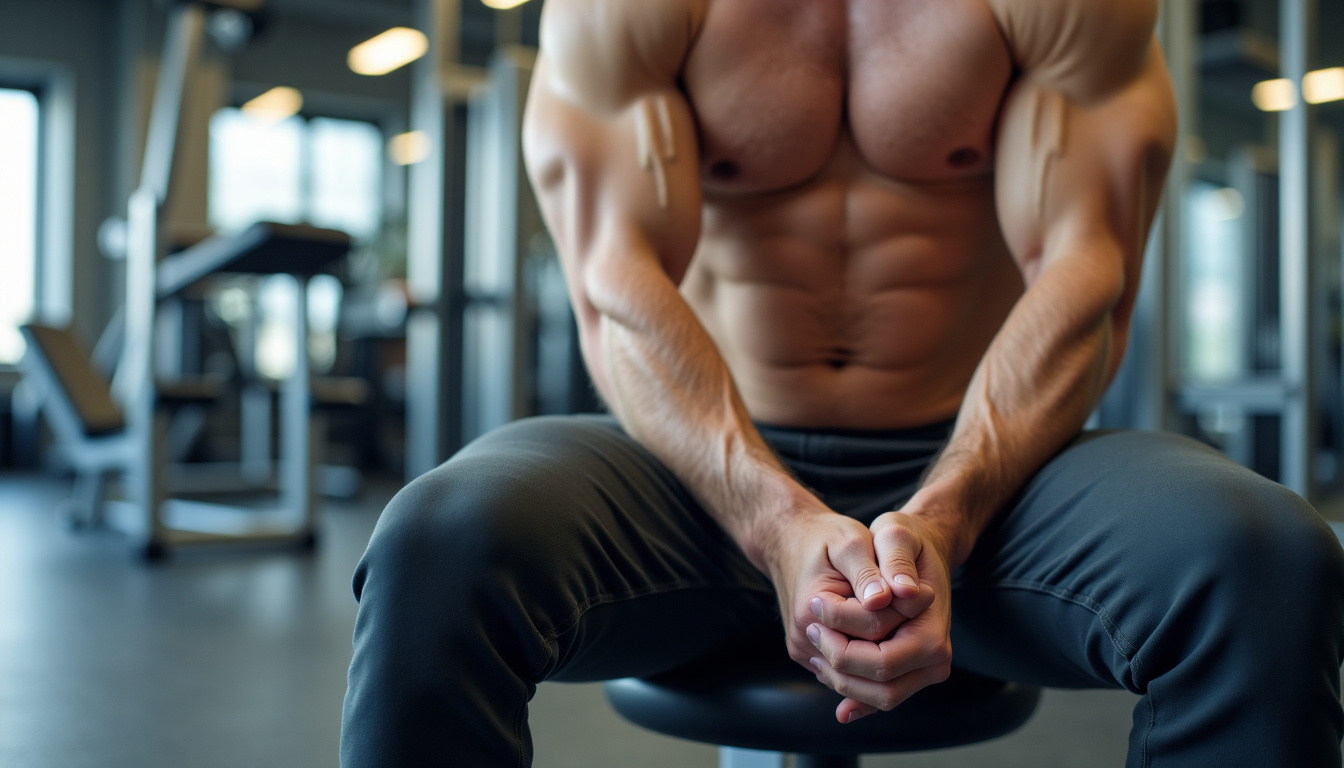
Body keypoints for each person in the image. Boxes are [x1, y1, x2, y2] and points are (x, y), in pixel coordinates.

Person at [340, 0, 1344, 765]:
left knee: (1258, 557)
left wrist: (946, 517)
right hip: (694, 470)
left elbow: (1088, 278)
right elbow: (615, 283)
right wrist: (773, 520)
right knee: (442, 544)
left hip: (985, 475)